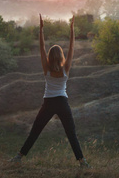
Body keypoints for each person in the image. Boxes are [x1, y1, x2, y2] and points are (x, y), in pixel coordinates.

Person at [10, 14, 90, 168]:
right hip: (62, 102)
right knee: (71, 134)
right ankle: (82, 162)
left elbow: (41, 47)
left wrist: (41, 29)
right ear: (61, 56)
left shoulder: (46, 69)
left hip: (48, 103)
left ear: (49, 57)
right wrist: (72, 28)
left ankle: (19, 157)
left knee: (35, 131)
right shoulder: (66, 68)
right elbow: (72, 47)